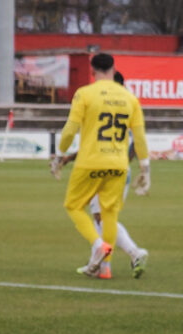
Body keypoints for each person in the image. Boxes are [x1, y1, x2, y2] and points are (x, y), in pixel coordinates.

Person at [54, 51, 148, 278]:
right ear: (113, 69)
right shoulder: (130, 98)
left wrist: (59, 155)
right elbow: (140, 137)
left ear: (92, 70)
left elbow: (70, 129)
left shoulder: (85, 94)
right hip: (119, 164)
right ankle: (105, 267)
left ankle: (98, 245)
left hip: (90, 162)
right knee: (109, 214)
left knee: (74, 206)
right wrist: (146, 169)